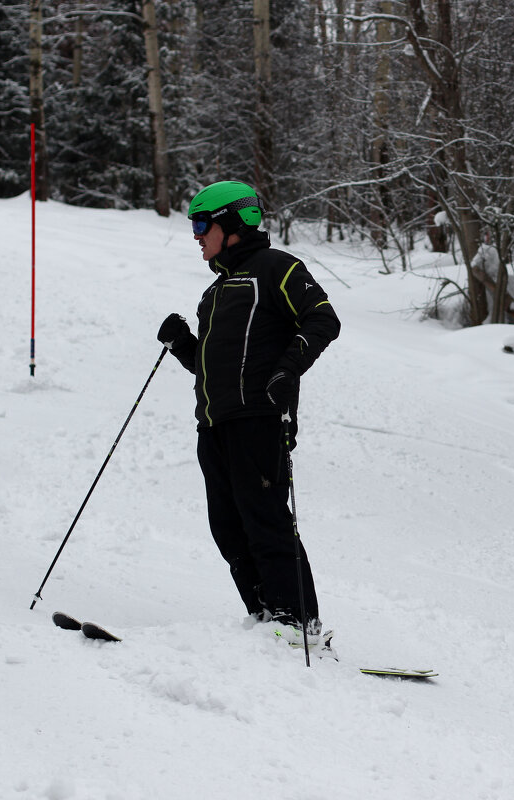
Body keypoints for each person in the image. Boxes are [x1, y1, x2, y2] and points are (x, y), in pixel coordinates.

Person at [157, 180, 340, 647]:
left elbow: (323, 318)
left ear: (233, 224)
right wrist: (183, 347)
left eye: (202, 224)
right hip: (215, 427)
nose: (196, 235)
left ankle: (298, 625)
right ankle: (265, 621)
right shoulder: (214, 293)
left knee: (265, 522)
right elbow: (213, 367)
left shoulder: (278, 268)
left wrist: (287, 369)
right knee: (228, 527)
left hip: (261, 420)